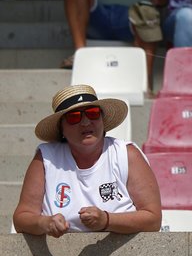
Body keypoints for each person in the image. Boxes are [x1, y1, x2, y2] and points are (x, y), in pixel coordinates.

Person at [13, 85, 162, 236]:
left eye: (93, 113)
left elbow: (153, 219)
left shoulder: (127, 154)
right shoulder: (46, 158)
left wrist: (107, 221)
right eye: (74, 117)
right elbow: (22, 218)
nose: (85, 122)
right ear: (61, 128)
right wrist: (45, 223)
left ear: (102, 119)